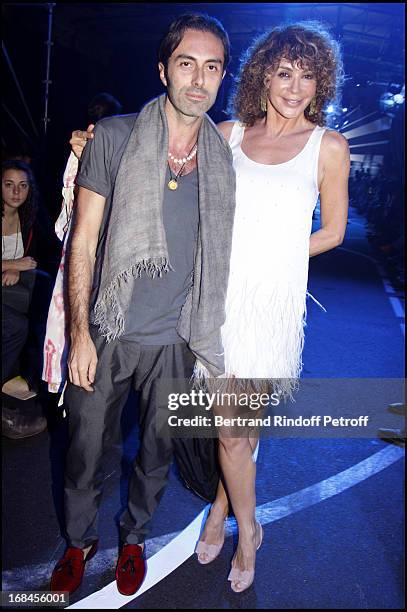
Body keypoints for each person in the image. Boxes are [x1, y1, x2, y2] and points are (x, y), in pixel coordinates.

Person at [50, 13, 235, 597]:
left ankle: (134, 540)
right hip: (109, 327)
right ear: (163, 70)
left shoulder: (223, 157)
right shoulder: (115, 137)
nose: (199, 79)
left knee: (155, 453)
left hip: (177, 339)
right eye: (187, 64)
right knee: (84, 451)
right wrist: (80, 332)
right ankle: (79, 543)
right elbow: (83, 240)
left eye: (212, 67)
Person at [193, 21, 349, 592]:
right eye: (284, 72)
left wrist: (278, 256)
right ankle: (229, 516)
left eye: (307, 76)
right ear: (263, 74)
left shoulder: (327, 147)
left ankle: (241, 528)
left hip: (272, 303)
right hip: (220, 300)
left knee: (236, 432)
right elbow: (172, 170)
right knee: (234, 430)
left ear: (319, 84)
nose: (294, 87)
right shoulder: (228, 134)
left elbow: (332, 231)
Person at [42, 93, 123, 394]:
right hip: (83, 263)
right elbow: (68, 227)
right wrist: (80, 160)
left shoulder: (126, 157)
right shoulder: (79, 157)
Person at [2, 159, 48, 438]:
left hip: (14, 285)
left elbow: (41, 256)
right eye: (9, 185)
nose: (16, 192)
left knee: (42, 287)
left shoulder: (29, 217)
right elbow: (23, 262)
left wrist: (15, 268)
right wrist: (13, 264)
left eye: (22, 186)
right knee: (17, 325)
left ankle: (34, 372)